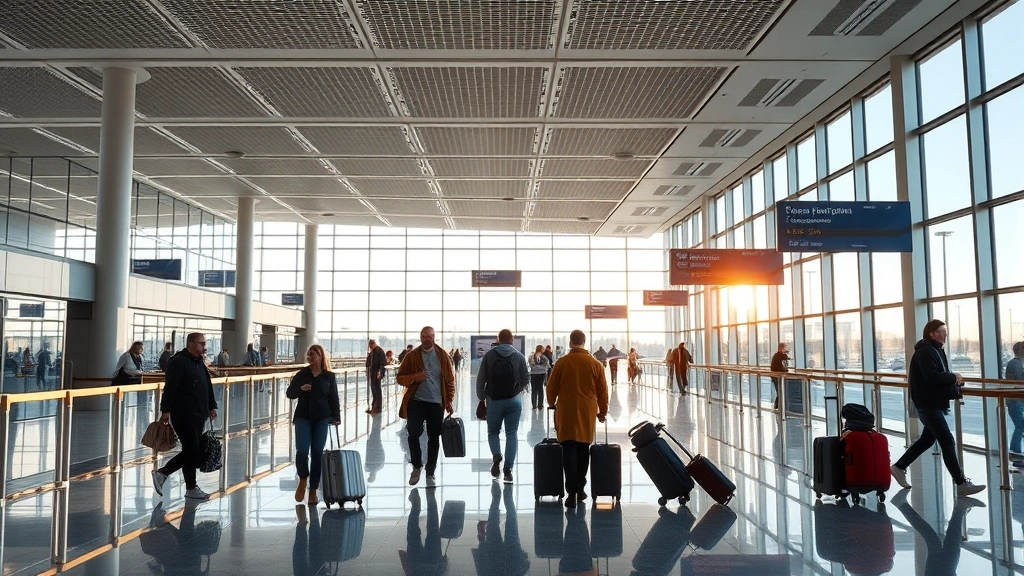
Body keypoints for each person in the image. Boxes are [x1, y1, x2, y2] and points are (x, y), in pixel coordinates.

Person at [890, 319, 985, 497]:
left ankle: (899, 466)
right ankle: (961, 483)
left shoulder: (933, 350)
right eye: (942, 331)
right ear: (933, 333)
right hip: (929, 404)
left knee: (927, 440)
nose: (945, 334)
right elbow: (932, 377)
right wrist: (953, 377)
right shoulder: (927, 351)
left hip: (931, 403)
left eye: (945, 330)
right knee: (947, 441)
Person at [546, 329, 609, 508]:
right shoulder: (595, 364)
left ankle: (571, 493)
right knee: (583, 451)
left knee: (568, 451)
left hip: (566, 411)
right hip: (587, 412)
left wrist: (551, 403)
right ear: (584, 342)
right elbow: (603, 392)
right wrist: (602, 411)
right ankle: (580, 488)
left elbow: (551, 388)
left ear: (570, 342)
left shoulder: (562, 362)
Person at [152, 333, 218, 501]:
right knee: (192, 450)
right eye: (202, 343)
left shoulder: (199, 362)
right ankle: (163, 473)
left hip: (199, 413)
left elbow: (206, 384)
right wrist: (165, 410)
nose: (205, 346)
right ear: (191, 344)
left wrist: (212, 405)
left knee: (190, 450)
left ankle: (190, 488)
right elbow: (170, 387)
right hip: (183, 413)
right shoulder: (179, 361)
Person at [397, 326, 456, 487]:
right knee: (413, 434)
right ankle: (416, 466)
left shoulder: (442, 356)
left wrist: (449, 400)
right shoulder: (412, 356)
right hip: (416, 401)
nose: (426, 339)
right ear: (420, 337)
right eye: (423, 336)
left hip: (436, 403)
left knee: (433, 437)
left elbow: (450, 380)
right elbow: (400, 377)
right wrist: (416, 377)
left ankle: (430, 470)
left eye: (429, 336)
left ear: (434, 337)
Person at [287, 344, 341, 506]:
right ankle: (303, 477)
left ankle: (313, 490)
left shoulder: (328, 377)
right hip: (303, 416)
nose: (310, 357)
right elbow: (290, 393)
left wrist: (336, 416)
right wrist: (301, 389)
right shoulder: (302, 374)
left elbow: (334, 397)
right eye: (309, 355)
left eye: (313, 354)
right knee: (302, 450)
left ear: (320, 356)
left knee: (317, 452)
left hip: (322, 418)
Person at [478, 329, 530, 483]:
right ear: (512, 339)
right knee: (511, 434)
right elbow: (526, 378)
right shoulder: (519, 356)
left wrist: (482, 398)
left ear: (498, 339)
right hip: (513, 400)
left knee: (493, 431)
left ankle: (496, 456)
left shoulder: (489, 356)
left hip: (494, 400)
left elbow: (481, 379)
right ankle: (508, 469)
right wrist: (516, 390)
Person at [1005, 341, 1024, 459]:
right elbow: (1018, 383)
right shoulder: (1016, 364)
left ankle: (1015, 450)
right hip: (1015, 400)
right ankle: (1015, 451)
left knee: (1020, 425)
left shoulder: (1017, 363)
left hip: (1016, 399)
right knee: (1020, 426)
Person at [365, 339, 386, 414]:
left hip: (376, 374)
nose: (370, 347)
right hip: (374, 373)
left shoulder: (379, 351)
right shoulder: (374, 351)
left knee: (377, 390)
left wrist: (380, 372)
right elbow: (368, 362)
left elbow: (383, 363)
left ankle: (377, 408)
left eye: (370, 345)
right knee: (374, 390)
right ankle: (374, 407)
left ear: (373, 344)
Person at [527, 345, 550, 410]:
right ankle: (540, 405)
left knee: (534, 389)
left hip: (533, 374)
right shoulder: (544, 357)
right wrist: (541, 368)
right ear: (542, 350)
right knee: (540, 389)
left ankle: (534, 405)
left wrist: (535, 367)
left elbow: (531, 365)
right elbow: (546, 366)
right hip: (541, 374)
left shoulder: (531, 357)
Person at [770, 343, 790, 409]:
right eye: (784, 348)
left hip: (780, 376)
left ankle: (778, 406)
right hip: (777, 377)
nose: (786, 350)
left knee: (781, 391)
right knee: (780, 391)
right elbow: (776, 367)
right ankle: (778, 406)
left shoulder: (782, 355)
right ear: (781, 349)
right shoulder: (777, 356)